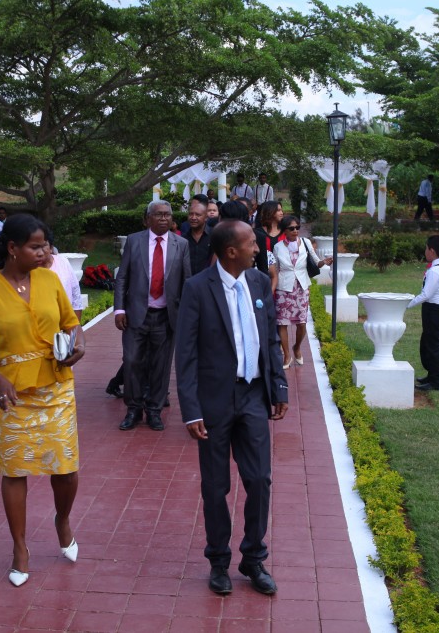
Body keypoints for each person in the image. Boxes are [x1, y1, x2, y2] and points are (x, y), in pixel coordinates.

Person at [0, 214, 85, 588]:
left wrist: (78, 342)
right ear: (12, 248)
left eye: (45, 245)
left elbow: (71, 323)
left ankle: (62, 520)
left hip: (56, 386)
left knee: (65, 468)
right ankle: (19, 547)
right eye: (36, 246)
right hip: (11, 394)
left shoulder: (49, 280)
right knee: (15, 471)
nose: (44, 252)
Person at [174, 219, 289, 597]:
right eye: (252, 244)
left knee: (259, 480)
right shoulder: (197, 289)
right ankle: (219, 561)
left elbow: (270, 337)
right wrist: (191, 410)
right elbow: (186, 354)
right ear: (230, 252)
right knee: (215, 486)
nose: (258, 249)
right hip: (213, 403)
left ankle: (253, 558)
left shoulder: (257, 282)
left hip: (254, 397)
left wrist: (279, 388)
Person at [114, 200, 191, 431]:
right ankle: (134, 409)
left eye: (167, 215)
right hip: (136, 315)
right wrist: (119, 309)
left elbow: (187, 281)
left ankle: (154, 411)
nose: (164, 218)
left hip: (167, 317)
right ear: (147, 218)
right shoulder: (134, 241)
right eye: (158, 215)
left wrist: (188, 316)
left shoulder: (181, 244)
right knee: (132, 362)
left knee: (161, 366)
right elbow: (123, 278)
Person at [273, 215, 331, 368]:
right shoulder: (278, 247)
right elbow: (275, 269)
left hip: (302, 287)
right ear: (284, 230)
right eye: (291, 228)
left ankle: (297, 347)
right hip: (283, 288)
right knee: (282, 323)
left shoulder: (305, 243)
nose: (295, 231)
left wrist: (324, 262)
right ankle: (286, 355)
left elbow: (315, 261)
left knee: (302, 323)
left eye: (297, 227)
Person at [407, 234, 439, 392]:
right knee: (428, 342)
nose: (425, 251)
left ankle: (435, 381)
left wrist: (406, 305)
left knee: (432, 345)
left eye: (426, 248)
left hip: (435, 310)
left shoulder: (435, 271)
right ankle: (432, 375)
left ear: (432, 251)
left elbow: (426, 294)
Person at [42, 230, 84, 322]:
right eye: (35, 246)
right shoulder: (28, 270)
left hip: (64, 324)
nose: (40, 251)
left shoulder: (62, 262)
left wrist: (75, 328)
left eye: (44, 245)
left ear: (51, 247)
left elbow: (75, 293)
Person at [184, 197, 213, 275]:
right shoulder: (183, 239)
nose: (193, 218)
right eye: (191, 214)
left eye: (198, 215)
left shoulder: (214, 236)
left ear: (206, 217)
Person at [252, 200, 283, 275]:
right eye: (278, 210)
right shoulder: (257, 233)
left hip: (283, 274)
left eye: (281, 210)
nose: (282, 213)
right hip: (264, 272)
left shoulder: (285, 232)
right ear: (270, 212)